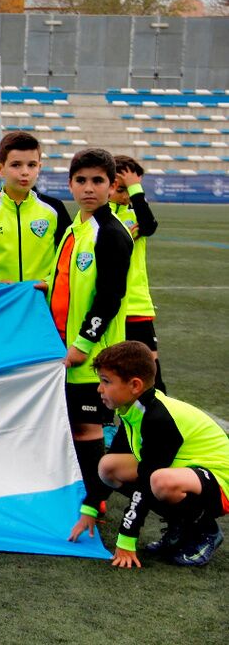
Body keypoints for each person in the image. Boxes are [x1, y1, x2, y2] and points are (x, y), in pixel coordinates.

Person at [50, 148, 133, 538]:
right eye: (81, 180)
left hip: (92, 355)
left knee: (87, 429)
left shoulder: (111, 233)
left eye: (98, 181)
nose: (88, 188)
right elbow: (70, 285)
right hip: (65, 350)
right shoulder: (73, 229)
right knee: (73, 426)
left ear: (112, 185)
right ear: (70, 184)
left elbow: (110, 296)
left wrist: (84, 343)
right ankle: (87, 497)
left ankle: (97, 503)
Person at [87, 342, 229, 568]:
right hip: (186, 471)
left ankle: (207, 531)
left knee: (159, 481)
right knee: (109, 467)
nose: (99, 388)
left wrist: (126, 539)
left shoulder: (158, 419)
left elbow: (146, 480)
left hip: (221, 480)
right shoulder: (132, 410)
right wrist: (90, 508)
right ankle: (180, 525)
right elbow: (117, 462)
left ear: (135, 385)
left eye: (106, 381)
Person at [0, 131, 71, 283]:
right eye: (16, 165)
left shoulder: (54, 209)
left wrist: (50, 282)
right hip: (1, 301)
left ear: (39, 167)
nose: (25, 172)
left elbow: (68, 257)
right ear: (0, 169)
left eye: (31, 165)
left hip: (42, 301)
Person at [110, 155, 166, 392]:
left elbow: (150, 224)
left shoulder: (136, 216)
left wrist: (135, 188)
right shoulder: (97, 218)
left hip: (136, 306)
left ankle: (156, 422)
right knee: (110, 371)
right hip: (109, 307)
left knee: (151, 375)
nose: (124, 196)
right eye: (120, 188)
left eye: (129, 190)